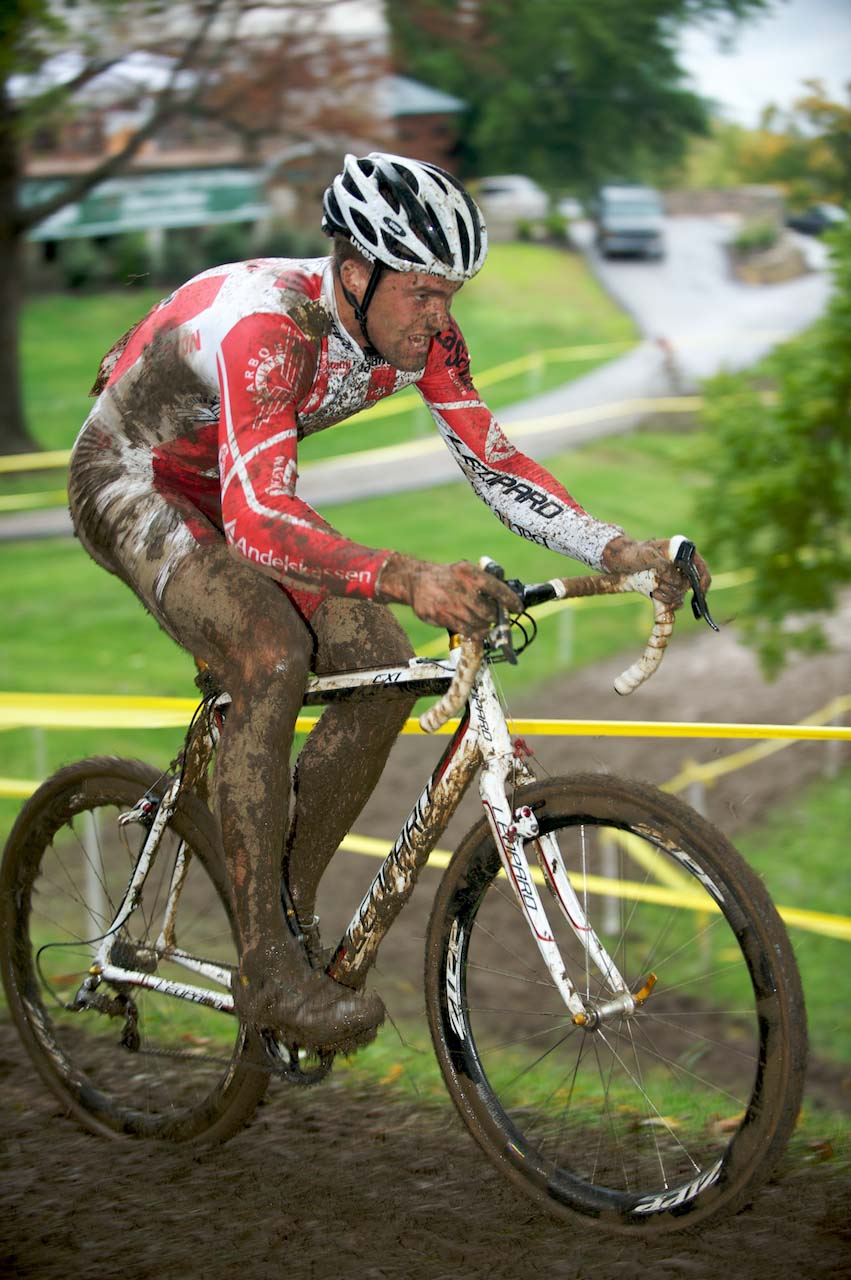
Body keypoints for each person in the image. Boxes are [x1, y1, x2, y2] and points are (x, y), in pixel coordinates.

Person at [68, 152, 708, 1052]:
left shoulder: (420, 333)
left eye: (451, 295)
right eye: (423, 294)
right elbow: (256, 524)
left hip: (239, 483)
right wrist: (406, 574)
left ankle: (284, 913)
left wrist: (617, 548)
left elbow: (495, 464)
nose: (440, 319)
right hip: (133, 478)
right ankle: (264, 969)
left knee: (379, 666)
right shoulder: (272, 328)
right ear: (357, 274)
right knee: (269, 653)